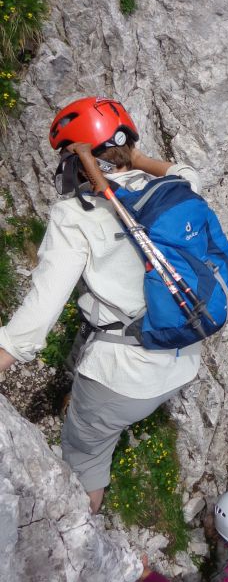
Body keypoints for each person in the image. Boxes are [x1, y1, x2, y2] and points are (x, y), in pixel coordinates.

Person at [0, 95, 202, 512]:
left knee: (85, 458)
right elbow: (187, 170)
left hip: (121, 377)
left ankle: (84, 537)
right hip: (181, 357)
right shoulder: (175, 191)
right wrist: (136, 158)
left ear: (76, 159)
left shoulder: (76, 215)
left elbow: (36, 318)